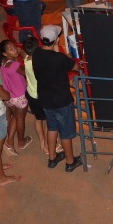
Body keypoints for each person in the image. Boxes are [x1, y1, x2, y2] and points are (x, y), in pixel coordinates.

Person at [33, 25, 81, 172]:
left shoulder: (36, 53)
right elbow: (76, 67)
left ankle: (52, 158)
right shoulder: (60, 58)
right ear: (56, 40)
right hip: (61, 100)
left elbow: (50, 58)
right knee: (65, 132)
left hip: (45, 99)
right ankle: (70, 161)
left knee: (52, 128)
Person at [0, 39, 32, 155]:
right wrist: (25, 57)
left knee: (15, 117)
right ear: (5, 53)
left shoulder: (3, 64)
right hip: (20, 96)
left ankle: (10, 141)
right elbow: (27, 73)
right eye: (10, 49)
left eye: (14, 47)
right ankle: (21, 141)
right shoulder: (15, 65)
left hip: (9, 96)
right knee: (20, 119)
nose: (15, 50)